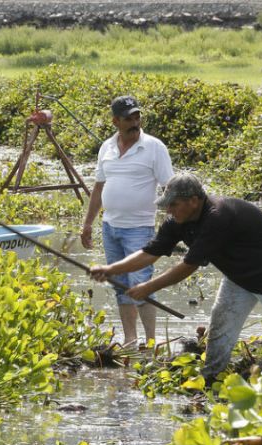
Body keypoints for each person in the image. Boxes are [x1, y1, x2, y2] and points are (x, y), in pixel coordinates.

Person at [89, 173, 262, 385]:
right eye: (167, 205)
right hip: (239, 275)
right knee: (220, 327)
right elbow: (151, 252)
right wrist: (111, 269)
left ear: (194, 201)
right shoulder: (176, 222)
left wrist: (148, 287)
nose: (169, 210)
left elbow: (188, 266)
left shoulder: (217, 217)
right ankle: (210, 379)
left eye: (174, 204)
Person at [81, 95, 174, 347]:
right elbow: (99, 188)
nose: (134, 122)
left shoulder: (154, 147)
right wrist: (88, 223)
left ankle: (152, 342)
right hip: (110, 227)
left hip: (140, 229)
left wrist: (174, 229)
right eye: (128, 119)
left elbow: (170, 189)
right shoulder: (107, 148)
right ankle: (131, 341)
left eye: (137, 117)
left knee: (142, 285)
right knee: (120, 285)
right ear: (115, 121)